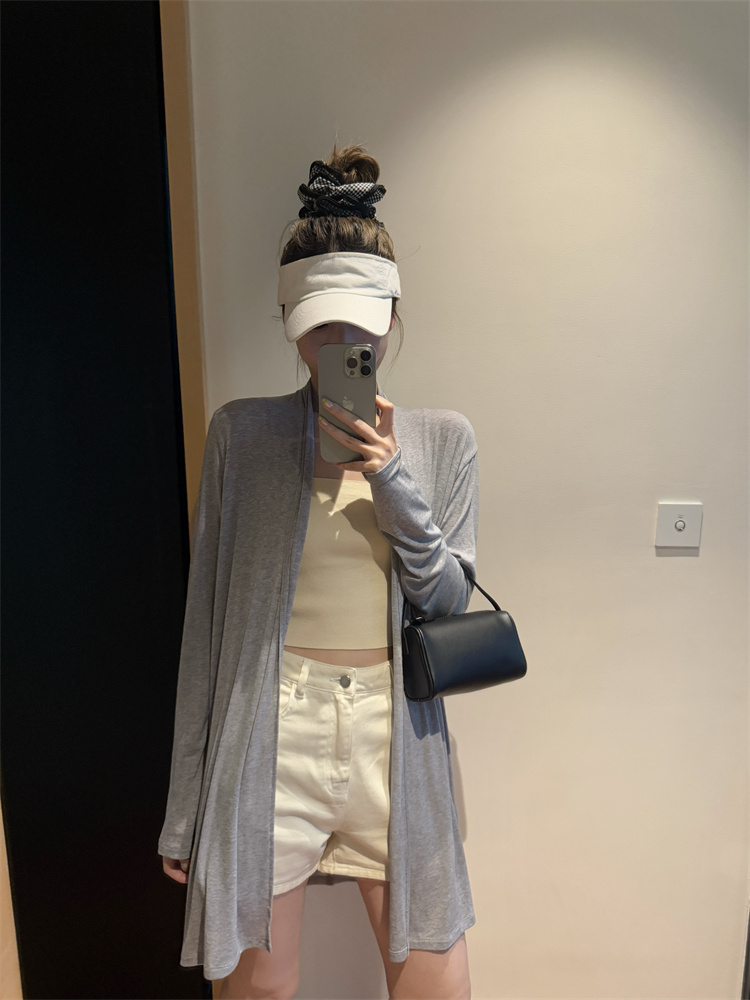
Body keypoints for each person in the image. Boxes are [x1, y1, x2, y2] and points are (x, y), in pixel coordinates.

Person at [159, 143, 480, 1000]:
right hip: (274, 727)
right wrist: (185, 807)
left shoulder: (443, 440)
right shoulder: (243, 436)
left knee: (438, 986)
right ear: (290, 319)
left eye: (360, 322)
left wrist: (391, 476)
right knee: (260, 988)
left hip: (395, 735)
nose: (341, 342)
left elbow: (448, 603)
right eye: (319, 325)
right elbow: (206, 628)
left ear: (393, 313)